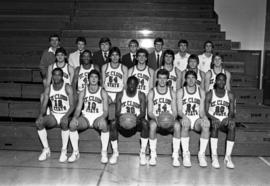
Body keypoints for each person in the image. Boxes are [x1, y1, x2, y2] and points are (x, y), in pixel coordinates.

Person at [69, 69, 110, 163]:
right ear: (88, 79)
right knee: (72, 125)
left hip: (97, 117)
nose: (94, 79)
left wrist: (102, 117)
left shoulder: (102, 92)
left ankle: (104, 152)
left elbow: (106, 110)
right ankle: (75, 152)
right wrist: (75, 117)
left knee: (104, 125)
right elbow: (78, 108)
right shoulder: (83, 92)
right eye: (91, 77)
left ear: (99, 79)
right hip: (86, 117)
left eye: (96, 77)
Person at [36, 68, 74, 162]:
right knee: (39, 123)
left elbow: (72, 106)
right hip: (54, 115)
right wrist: (41, 115)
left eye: (58, 75)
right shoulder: (49, 88)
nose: (56, 77)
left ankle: (64, 151)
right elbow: (44, 104)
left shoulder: (67, 87)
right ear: (52, 76)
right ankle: (46, 150)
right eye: (54, 75)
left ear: (62, 76)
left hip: (66, 114)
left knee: (64, 122)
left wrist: (66, 116)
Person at [109, 76, 148, 165]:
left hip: (136, 120)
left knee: (145, 123)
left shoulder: (141, 95)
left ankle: (142, 152)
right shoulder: (120, 94)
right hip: (123, 119)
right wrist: (123, 117)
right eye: (130, 84)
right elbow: (117, 112)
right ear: (126, 84)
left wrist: (136, 119)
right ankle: (115, 152)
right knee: (113, 123)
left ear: (137, 85)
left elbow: (142, 112)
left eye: (134, 84)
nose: (131, 86)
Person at [148, 69, 181, 167]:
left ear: (167, 80)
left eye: (164, 78)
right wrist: (156, 118)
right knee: (152, 126)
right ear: (157, 79)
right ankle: (153, 155)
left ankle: (175, 156)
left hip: (169, 119)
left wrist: (171, 119)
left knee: (178, 126)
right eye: (160, 78)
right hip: (157, 119)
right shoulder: (152, 92)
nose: (162, 81)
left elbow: (175, 111)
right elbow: (149, 112)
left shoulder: (172, 92)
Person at [177, 70, 210, 167]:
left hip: (196, 119)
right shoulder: (180, 91)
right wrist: (184, 117)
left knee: (206, 126)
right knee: (185, 124)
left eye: (193, 78)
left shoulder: (201, 91)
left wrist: (204, 118)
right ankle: (186, 154)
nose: (191, 80)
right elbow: (179, 110)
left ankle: (201, 154)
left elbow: (201, 111)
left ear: (196, 79)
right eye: (188, 78)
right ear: (185, 79)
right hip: (185, 117)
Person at [205, 73, 236, 169]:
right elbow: (206, 111)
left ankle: (228, 157)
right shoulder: (210, 94)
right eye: (219, 79)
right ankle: (214, 157)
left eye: (223, 80)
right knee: (215, 125)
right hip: (212, 118)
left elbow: (232, 112)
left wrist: (229, 118)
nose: (221, 82)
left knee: (232, 125)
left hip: (223, 119)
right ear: (215, 81)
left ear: (226, 82)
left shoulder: (230, 95)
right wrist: (212, 118)